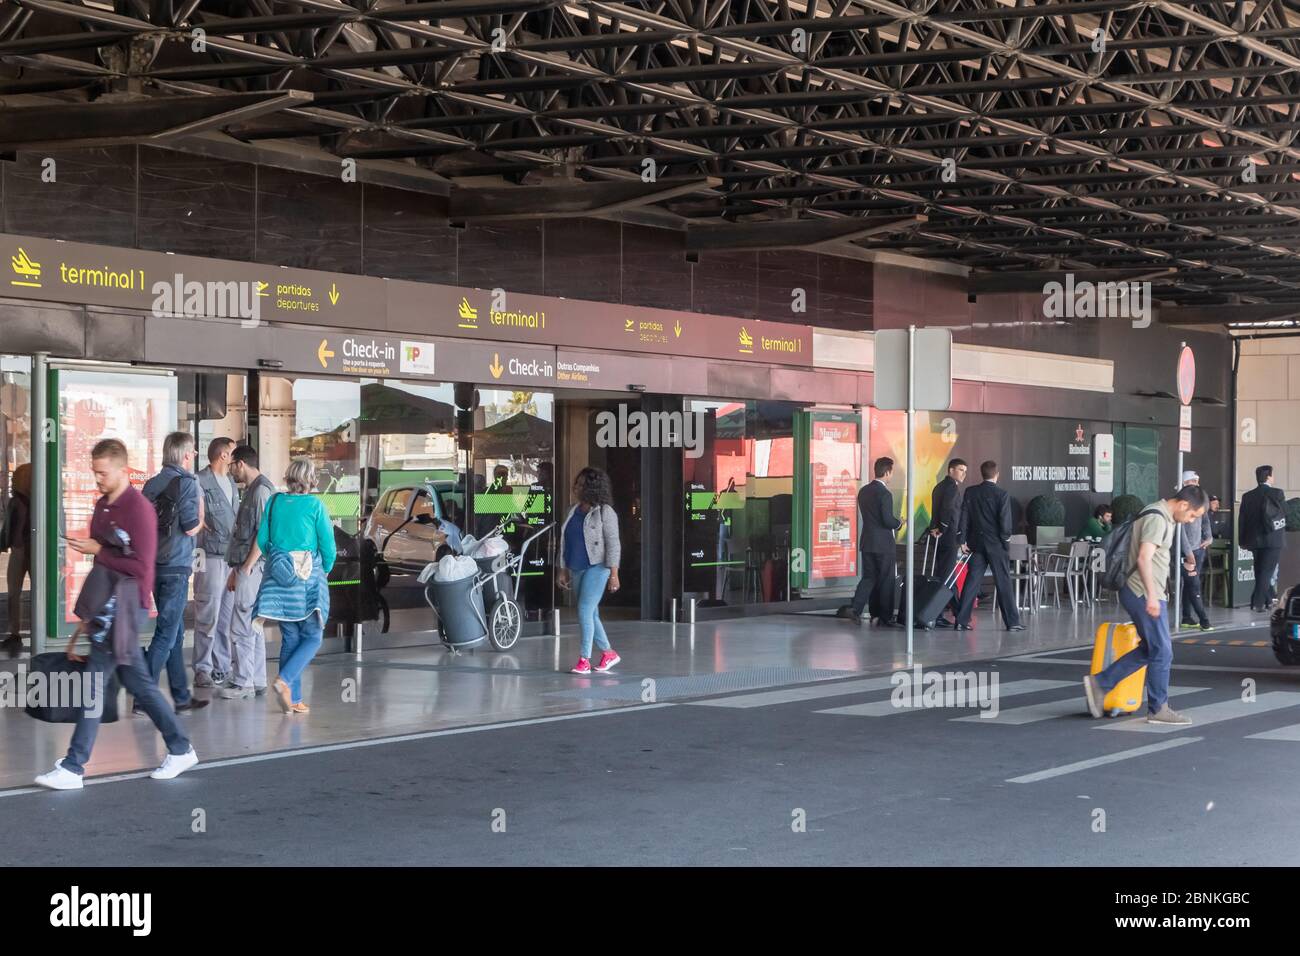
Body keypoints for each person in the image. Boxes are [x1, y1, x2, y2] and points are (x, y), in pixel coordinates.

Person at [35, 439, 199, 789]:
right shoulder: (103, 506)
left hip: (126, 607)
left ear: (122, 470)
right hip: (108, 606)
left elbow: (141, 566)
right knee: (136, 682)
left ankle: (74, 765)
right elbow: (105, 558)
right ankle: (179, 747)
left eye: (102, 473)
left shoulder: (139, 509)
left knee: (97, 683)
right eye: (94, 472)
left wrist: (98, 550)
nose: (97, 479)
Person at [1083, 484, 1209, 726]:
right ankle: (1158, 708)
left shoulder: (1165, 516)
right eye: (1193, 515)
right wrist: (1152, 596)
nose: (1192, 520)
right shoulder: (1157, 518)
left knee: (1152, 649)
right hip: (1142, 592)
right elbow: (1144, 558)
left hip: (1146, 592)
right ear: (1183, 505)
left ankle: (1101, 683)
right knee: (1163, 650)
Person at [254, 457, 336, 714]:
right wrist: (325, 569)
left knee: (290, 636)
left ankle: (295, 697)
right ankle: (284, 680)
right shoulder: (315, 505)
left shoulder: (275, 501)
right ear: (310, 480)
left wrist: (279, 561)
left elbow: (263, 540)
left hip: (279, 581)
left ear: (290, 477)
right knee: (313, 635)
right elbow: (328, 545)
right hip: (306, 580)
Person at [139, 432, 208, 715]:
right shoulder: (189, 483)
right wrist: (203, 513)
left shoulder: (151, 484)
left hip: (154, 565)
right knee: (166, 634)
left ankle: (180, 696)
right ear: (185, 455)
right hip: (177, 566)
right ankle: (144, 698)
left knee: (176, 632)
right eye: (191, 452)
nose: (192, 457)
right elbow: (191, 526)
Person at [220, 445, 275, 700]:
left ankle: (244, 682)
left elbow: (262, 535)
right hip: (247, 566)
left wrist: (246, 567)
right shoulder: (255, 490)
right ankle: (256, 679)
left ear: (241, 464)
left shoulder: (261, 491)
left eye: (232, 465)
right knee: (252, 624)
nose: (230, 470)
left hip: (252, 568)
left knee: (242, 624)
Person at [558, 466, 621, 675]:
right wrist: (562, 568)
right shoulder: (572, 510)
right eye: (577, 483)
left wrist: (614, 573)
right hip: (576, 566)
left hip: (598, 567)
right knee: (591, 613)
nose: (576, 487)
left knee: (584, 610)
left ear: (592, 487)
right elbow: (564, 542)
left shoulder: (605, 511)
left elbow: (613, 543)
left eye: (581, 484)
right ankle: (608, 653)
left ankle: (584, 659)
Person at [952, 460, 1025, 632]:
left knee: (972, 581)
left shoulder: (971, 492)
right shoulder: (1002, 495)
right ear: (996, 475)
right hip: (996, 545)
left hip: (976, 544)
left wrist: (962, 540)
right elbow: (1005, 524)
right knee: (1003, 582)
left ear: (982, 474)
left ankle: (961, 620)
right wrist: (1005, 541)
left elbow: (964, 517)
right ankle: (1012, 622)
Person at [193, 437, 239, 688]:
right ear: (223, 455)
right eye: (232, 451)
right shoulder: (200, 481)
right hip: (209, 556)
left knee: (225, 616)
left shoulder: (231, 482)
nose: (235, 456)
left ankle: (221, 666)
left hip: (229, 557)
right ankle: (202, 668)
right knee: (207, 613)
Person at [839, 457, 902, 627]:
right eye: (892, 473)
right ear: (887, 472)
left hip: (867, 541)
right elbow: (887, 521)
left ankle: (856, 608)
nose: (891, 476)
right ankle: (884, 617)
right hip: (883, 544)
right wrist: (900, 523)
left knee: (869, 577)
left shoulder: (864, 491)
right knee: (886, 580)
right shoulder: (885, 493)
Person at [1240, 464, 1287, 612]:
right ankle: (1257, 602)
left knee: (1260, 570)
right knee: (1266, 572)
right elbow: (1285, 512)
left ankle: (1267, 600)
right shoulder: (1277, 493)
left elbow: (1242, 520)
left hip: (1254, 540)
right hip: (1273, 539)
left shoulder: (1247, 496)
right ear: (1268, 477)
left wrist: (1242, 540)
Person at [926, 459, 966, 628]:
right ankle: (939, 613)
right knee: (946, 577)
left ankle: (957, 613)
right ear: (951, 470)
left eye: (965, 470)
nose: (963, 473)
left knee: (945, 575)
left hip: (940, 537)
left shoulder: (939, 486)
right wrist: (942, 528)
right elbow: (948, 510)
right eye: (960, 469)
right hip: (948, 538)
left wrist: (935, 528)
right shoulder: (951, 487)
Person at [1177, 471, 1214, 632]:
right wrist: (1188, 552)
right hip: (1188, 551)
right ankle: (1204, 620)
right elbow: (1180, 531)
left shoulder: (1199, 500)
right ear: (1185, 483)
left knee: (1191, 584)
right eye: (1193, 481)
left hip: (1198, 547)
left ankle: (1187, 617)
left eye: (1197, 481)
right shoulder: (1182, 503)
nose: (1197, 484)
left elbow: (1205, 520)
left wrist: (1209, 537)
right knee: (1194, 584)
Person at [1, 462, 32, 656]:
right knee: (31, 594)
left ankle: (15, 634)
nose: (12, 481)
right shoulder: (36, 501)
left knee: (14, 594)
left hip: (19, 551)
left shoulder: (17, 501)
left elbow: (11, 529)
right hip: (31, 550)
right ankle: (17, 634)